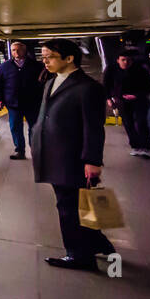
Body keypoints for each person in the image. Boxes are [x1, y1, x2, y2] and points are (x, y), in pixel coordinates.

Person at [32, 39, 115, 270]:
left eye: (50, 56)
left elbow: (94, 127)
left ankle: (79, 256)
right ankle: (101, 245)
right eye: (44, 56)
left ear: (69, 58)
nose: (45, 61)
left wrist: (92, 160)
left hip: (72, 158)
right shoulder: (51, 81)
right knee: (77, 204)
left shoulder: (89, 88)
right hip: (52, 155)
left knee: (69, 207)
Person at [0, 41, 44, 160]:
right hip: (13, 103)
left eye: (18, 49)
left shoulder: (36, 66)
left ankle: (35, 150)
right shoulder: (3, 67)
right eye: (13, 50)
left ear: (25, 50)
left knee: (34, 127)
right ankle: (20, 150)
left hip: (32, 102)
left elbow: (43, 83)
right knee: (15, 127)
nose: (16, 52)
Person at [105, 50, 150, 156]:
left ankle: (146, 147)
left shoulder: (141, 70)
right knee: (128, 123)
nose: (126, 63)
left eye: (128, 60)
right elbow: (106, 84)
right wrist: (108, 98)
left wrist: (137, 95)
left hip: (139, 99)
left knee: (141, 122)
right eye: (123, 60)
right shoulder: (111, 69)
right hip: (121, 100)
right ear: (118, 60)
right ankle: (135, 146)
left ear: (132, 61)